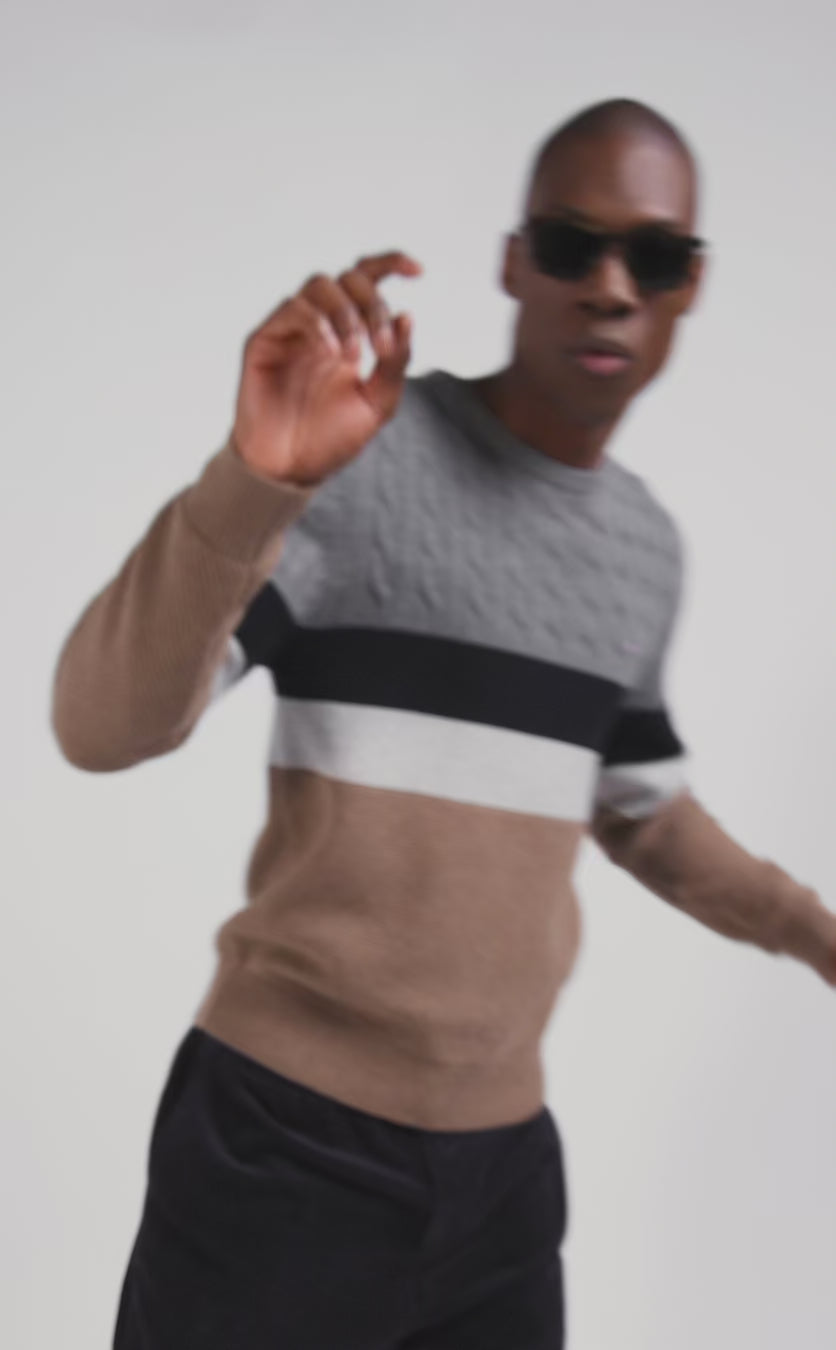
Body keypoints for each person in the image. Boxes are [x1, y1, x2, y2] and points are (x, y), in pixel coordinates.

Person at [51, 97, 836, 1350]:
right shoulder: (364, 456)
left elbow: (643, 812)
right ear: (514, 264)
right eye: (573, 246)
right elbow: (103, 725)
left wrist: (818, 934)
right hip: (283, 1149)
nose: (612, 289)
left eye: (655, 258)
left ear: (690, 288)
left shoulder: (642, 550)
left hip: (503, 1185)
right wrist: (256, 479)